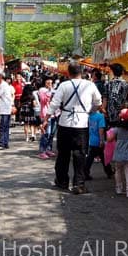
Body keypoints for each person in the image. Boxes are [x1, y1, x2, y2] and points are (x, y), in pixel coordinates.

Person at [42, 62, 102, 194]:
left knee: (63, 153)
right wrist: (89, 111)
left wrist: (46, 119)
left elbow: (54, 104)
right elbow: (98, 102)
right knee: (80, 154)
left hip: (65, 122)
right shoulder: (90, 85)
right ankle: (78, 184)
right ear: (82, 72)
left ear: (68, 73)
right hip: (81, 123)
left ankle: (62, 181)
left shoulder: (64, 85)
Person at [107, 108, 128, 198]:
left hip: (119, 153)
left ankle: (119, 188)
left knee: (118, 171)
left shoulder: (117, 129)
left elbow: (110, 139)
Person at [84, 108, 113, 180]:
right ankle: (109, 172)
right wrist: (101, 140)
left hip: (91, 139)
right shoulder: (100, 116)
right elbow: (101, 129)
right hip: (98, 140)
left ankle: (85, 173)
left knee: (92, 157)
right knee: (103, 157)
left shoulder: (88, 116)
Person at [0, 72, 13, 149]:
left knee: (1, 127)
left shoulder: (2, 85)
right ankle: (5, 142)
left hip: (2, 109)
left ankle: (0, 143)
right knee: (5, 127)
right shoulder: (5, 85)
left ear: (0, 76)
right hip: (6, 108)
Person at [37, 78, 56, 158]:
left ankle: (48, 149)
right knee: (46, 133)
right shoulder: (42, 90)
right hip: (45, 114)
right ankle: (42, 151)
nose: (50, 83)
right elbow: (43, 100)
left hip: (54, 114)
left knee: (52, 134)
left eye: (51, 82)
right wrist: (49, 91)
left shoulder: (54, 90)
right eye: (48, 82)